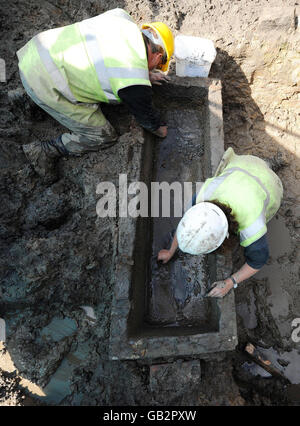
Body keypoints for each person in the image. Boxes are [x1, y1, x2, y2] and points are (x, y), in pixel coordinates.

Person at [17, 8, 174, 180]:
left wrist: (145, 75)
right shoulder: (134, 82)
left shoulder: (121, 17)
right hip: (44, 82)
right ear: (158, 56)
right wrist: (162, 129)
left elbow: (111, 55)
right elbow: (153, 125)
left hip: (34, 53)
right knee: (103, 136)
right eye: (159, 65)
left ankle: (23, 98)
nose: (156, 69)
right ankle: (45, 151)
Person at [157, 147, 283, 298]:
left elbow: (257, 262)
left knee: (267, 178)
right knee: (260, 167)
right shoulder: (202, 197)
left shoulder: (252, 228)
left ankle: (270, 167)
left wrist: (230, 282)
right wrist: (171, 250)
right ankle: (267, 163)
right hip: (246, 163)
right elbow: (188, 225)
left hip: (271, 185)